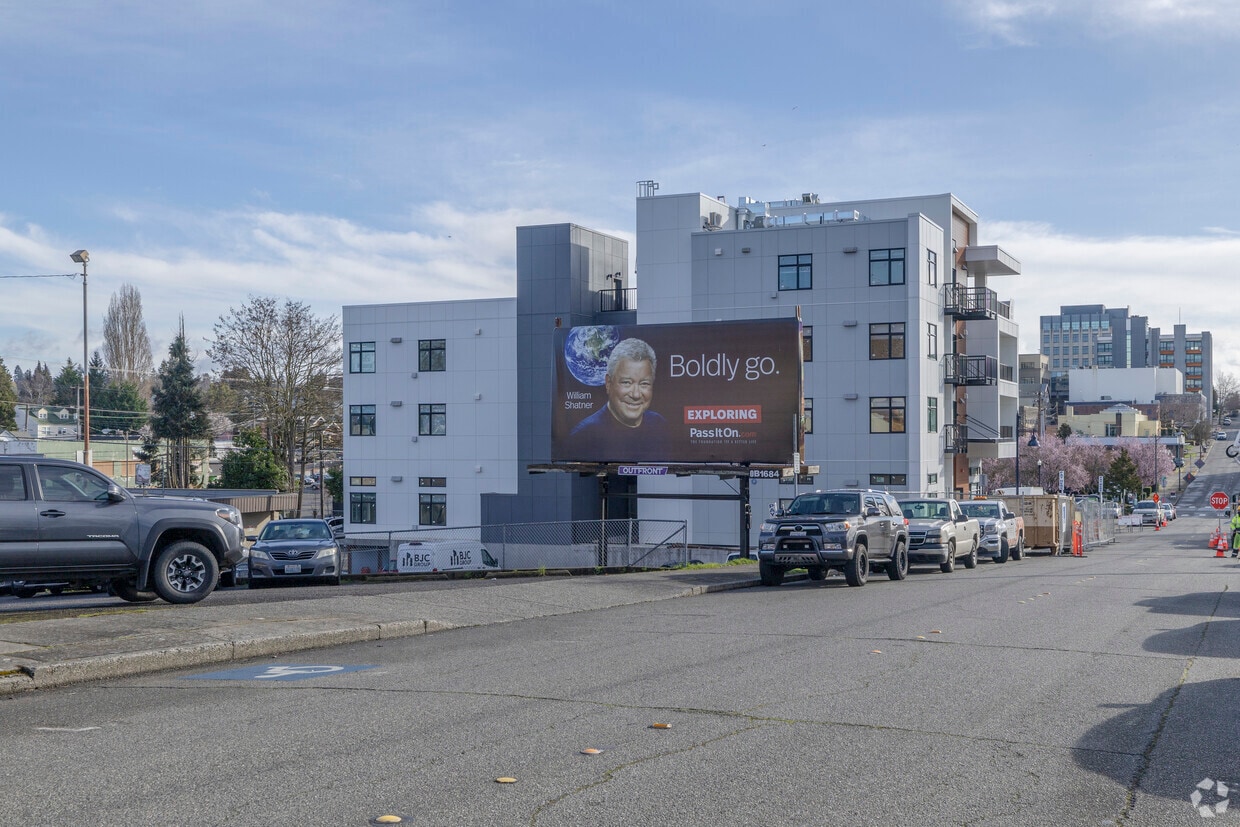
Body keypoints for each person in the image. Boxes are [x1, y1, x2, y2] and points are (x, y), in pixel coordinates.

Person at [566, 337, 672, 461]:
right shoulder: (583, 436)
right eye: (627, 382)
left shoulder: (659, 425)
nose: (636, 394)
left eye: (644, 383)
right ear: (608, 383)